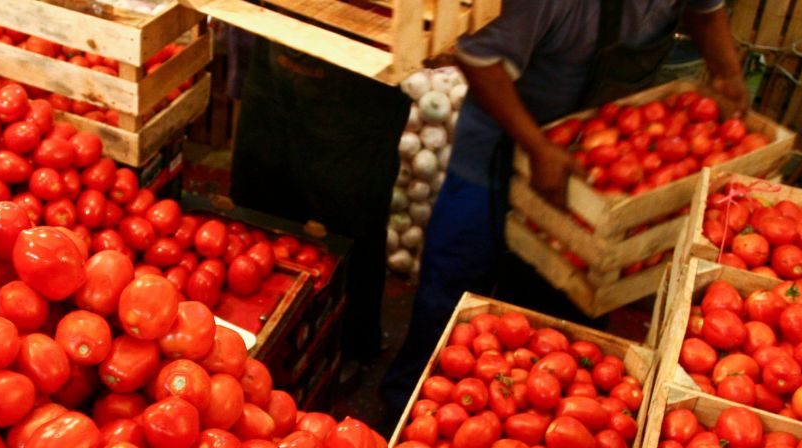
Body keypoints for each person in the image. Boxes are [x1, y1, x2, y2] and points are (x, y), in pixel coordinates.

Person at [381, 0, 748, 414]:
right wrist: (537, 146)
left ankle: (528, 415)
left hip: (590, 158)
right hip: (498, 143)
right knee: (454, 284)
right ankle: (405, 409)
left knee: (563, 306)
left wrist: (728, 73)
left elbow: (706, 10)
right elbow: (479, 56)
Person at [230, 38, 411, 374]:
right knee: (258, 208)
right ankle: (263, 333)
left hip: (358, 80)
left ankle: (352, 346)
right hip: (275, 53)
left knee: (353, 224)